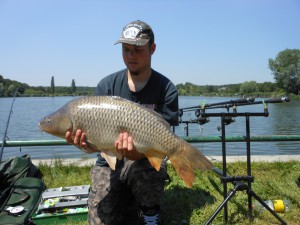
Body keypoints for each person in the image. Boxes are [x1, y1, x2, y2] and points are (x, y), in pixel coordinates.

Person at [66, 20, 179, 225]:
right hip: (108, 163)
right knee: (102, 219)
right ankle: (126, 199)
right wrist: (88, 146)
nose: (130, 56)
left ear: (152, 49)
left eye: (137, 50)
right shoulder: (106, 85)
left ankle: (149, 211)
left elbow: (162, 145)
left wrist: (135, 153)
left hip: (145, 159)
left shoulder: (167, 89)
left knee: (150, 172)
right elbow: (99, 147)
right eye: (126, 50)